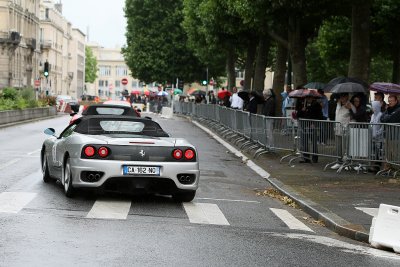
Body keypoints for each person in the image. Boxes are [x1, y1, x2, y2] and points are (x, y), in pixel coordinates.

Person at [331, 93, 356, 169]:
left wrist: (350, 108)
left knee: (346, 147)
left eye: (343, 96)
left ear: (347, 97)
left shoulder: (350, 105)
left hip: (346, 129)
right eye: (341, 96)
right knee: (338, 146)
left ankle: (347, 162)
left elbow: (355, 115)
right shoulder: (338, 104)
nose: (342, 98)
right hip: (338, 129)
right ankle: (339, 161)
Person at [296, 95, 323, 163]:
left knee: (314, 142)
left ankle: (315, 157)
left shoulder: (316, 104)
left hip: (312, 125)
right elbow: (298, 115)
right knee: (304, 142)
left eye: (309, 98)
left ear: (312, 98)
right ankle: (306, 157)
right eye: (306, 98)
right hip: (304, 125)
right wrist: (302, 110)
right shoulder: (303, 104)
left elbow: (319, 115)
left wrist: (314, 123)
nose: (308, 99)